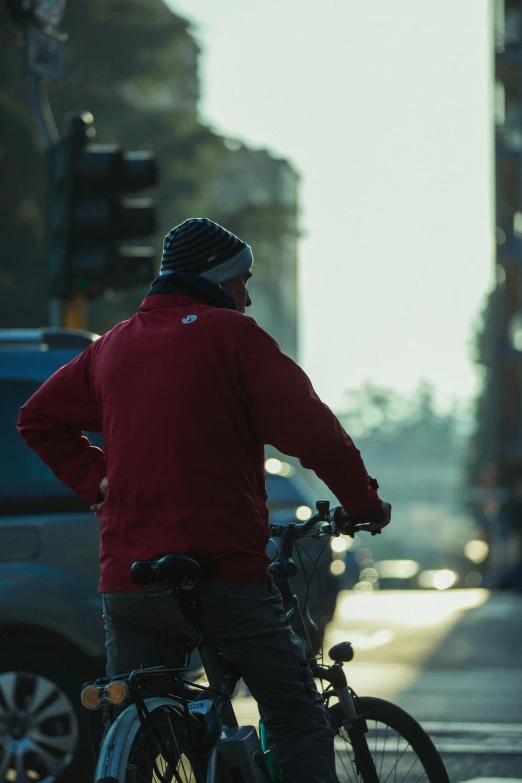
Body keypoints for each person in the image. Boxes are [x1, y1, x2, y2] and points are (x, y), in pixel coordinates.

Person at [18, 217, 391, 782]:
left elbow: (37, 418)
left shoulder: (112, 346)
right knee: (295, 713)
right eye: (242, 280)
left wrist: (98, 479)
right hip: (223, 569)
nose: (247, 294)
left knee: (140, 716)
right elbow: (315, 434)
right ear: (216, 280)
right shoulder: (232, 336)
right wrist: (363, 503)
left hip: (129, 576)